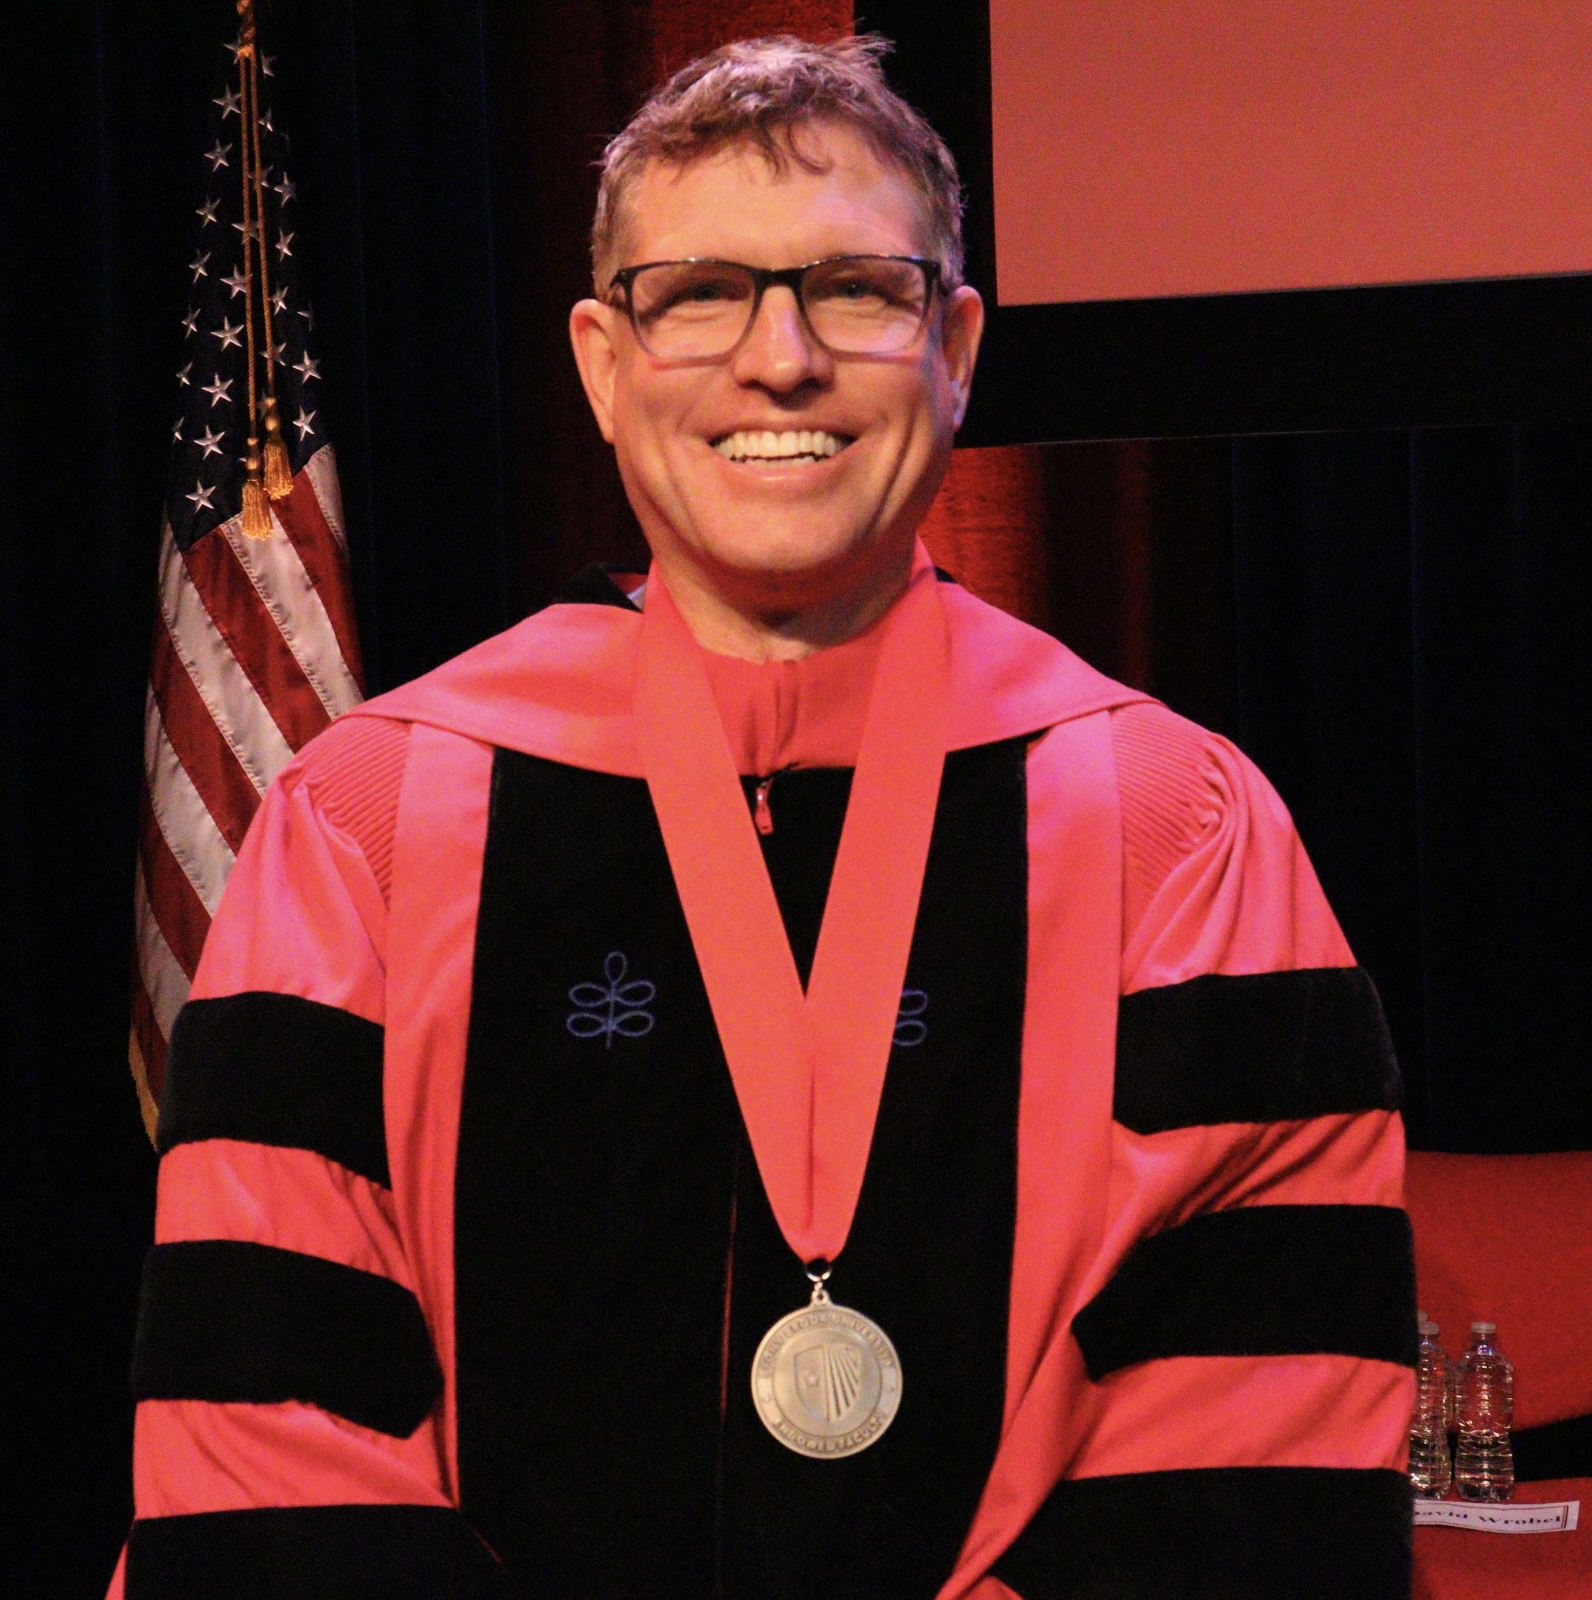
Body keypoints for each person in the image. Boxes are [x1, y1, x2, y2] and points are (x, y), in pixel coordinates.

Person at [113, 35, 1415, 1600]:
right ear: (602, 361)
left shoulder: (1170, 831)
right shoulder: (374, 825)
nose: (779, 358)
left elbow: (1255, 1437)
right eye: (698, 295)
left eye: (858, 290)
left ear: (959, 345)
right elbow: (269, 1431)